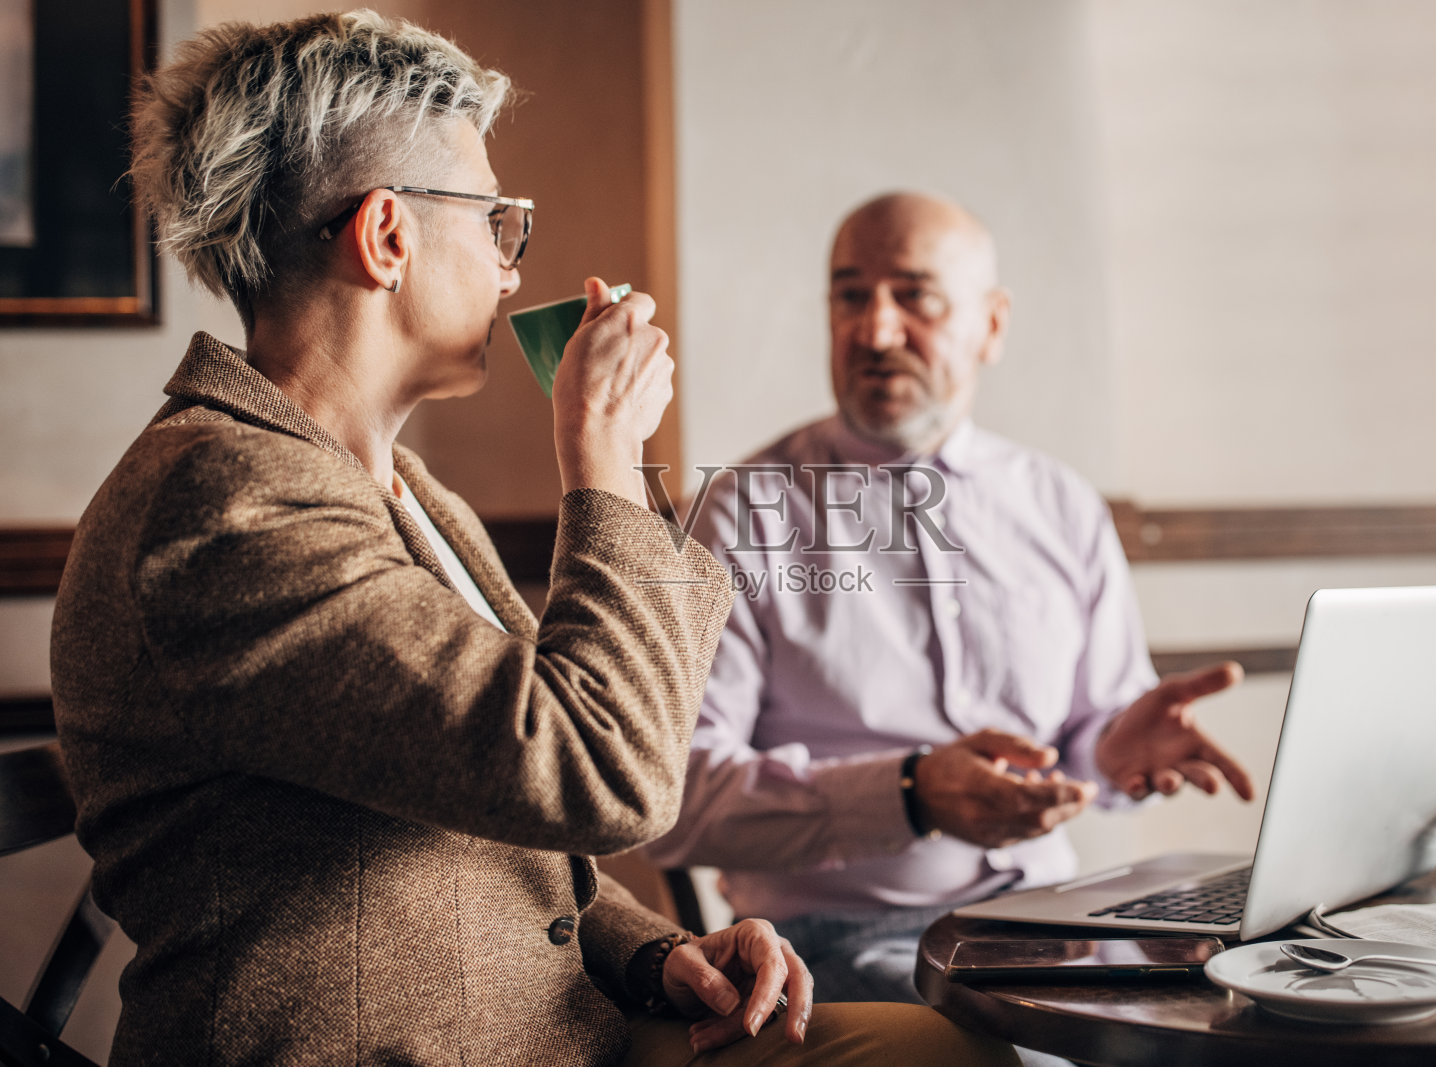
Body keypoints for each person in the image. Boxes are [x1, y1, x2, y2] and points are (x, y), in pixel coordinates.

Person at [49, 16, 1018, 1066]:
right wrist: (600, 456)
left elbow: (496, 825)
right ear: (386, 236)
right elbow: (603, 774)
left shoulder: (397, 490)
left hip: (558, 1030)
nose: (513, 270)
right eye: (496, 222)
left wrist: (659, 955)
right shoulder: (223, 502)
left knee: (933, 1045)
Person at [645, 192, 1256, 1008]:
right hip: (840, 941)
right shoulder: (740, 514)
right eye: (851, 296)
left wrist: (1109, 749)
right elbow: (675, 801)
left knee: (1241, 1011)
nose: (875, 331)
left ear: (992, 325)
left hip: (1054, 921)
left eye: (915, 296)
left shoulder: (1062, 505)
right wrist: (909, 793)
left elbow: (1082, 741)